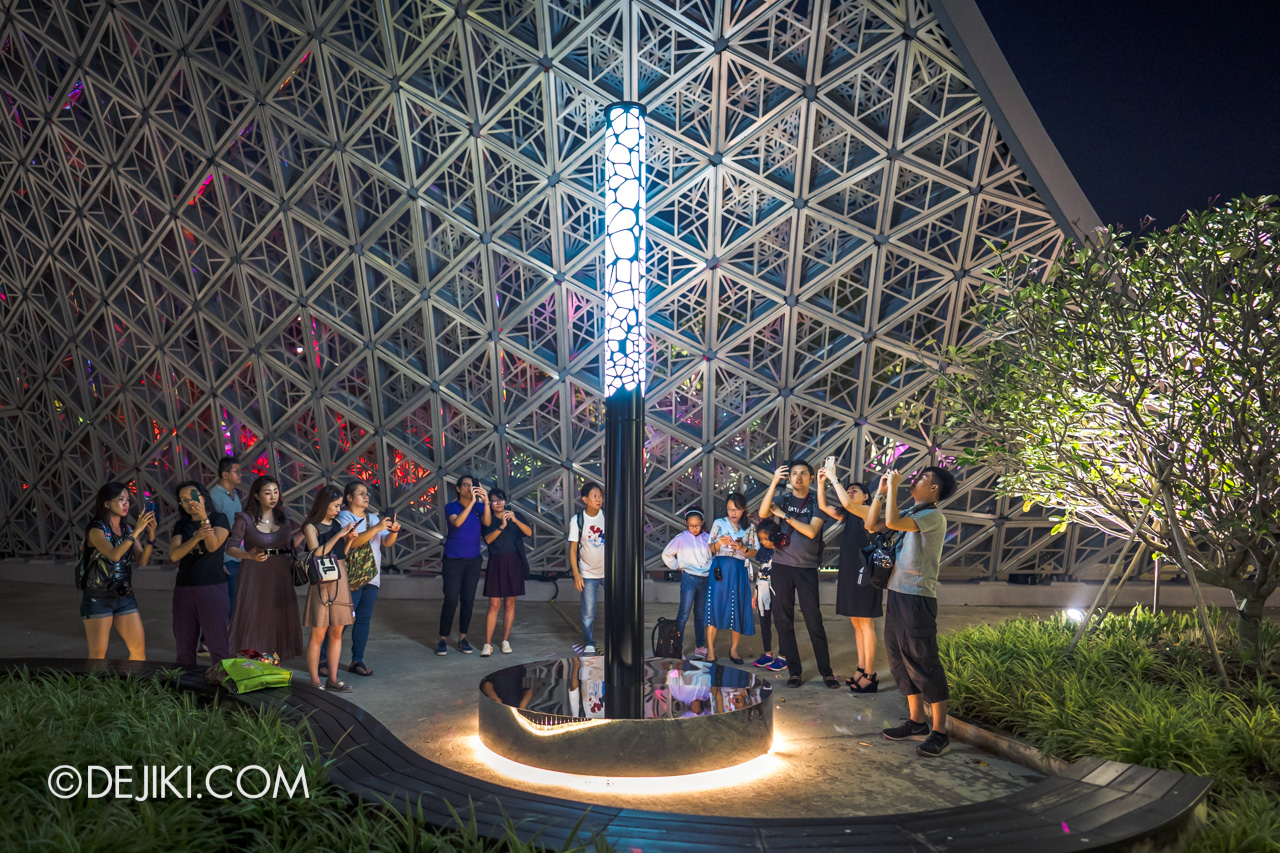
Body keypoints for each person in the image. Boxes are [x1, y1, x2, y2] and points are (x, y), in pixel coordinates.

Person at [868, 466, 957, 758]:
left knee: (924, 661)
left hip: (917, 598)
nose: (914, 480)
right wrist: (880, 494)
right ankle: (917, 721)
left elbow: (892, 522)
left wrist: (893, 487)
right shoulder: (913, 512)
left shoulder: (933, 516)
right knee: (899, 660)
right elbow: (872, 524)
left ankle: (939, 732)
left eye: (921, 478)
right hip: (897, 592)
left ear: (934, 489)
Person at [759, 459, 839, 689]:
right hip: (782, 567)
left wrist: (784, 516)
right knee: (783, 621)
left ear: (811, 478)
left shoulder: (817, 502)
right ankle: (794, 671)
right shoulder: (782, 498)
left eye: (803, 473)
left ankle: (826, 672)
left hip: (806, 569)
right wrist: (774, 482)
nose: (798, 477)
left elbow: (812, 531)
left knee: (814, 621)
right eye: (794, 473)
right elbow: (764, 512)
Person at [321, 482, 401, 678]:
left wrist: (393, 531)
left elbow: (387, 543)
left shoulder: (373, 517)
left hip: (372, 576)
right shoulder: (344, 517)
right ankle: (323, 658)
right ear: (349, 497)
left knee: (363, 619)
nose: (366, 497)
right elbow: (354, 542)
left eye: (367, 494)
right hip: (351, 577)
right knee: (343, 620)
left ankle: (358, 660)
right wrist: (377, 528)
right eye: (361, 494)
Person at [816, 469, 883, 693]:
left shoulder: (867, 510)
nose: (850, 492)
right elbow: (824, 507)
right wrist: (821, 482)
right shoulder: (850, 513)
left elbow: (848, 505)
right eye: (848, 490)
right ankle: (861, 668)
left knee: (866, 622)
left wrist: (834, 478)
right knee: (856, 622)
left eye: (855, 490)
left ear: (866, 496)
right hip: (851, 571)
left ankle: (871, 675)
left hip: (866, 572)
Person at [226, 475, 304, 661]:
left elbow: (291, 545)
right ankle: (251, 654)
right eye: (267, 493)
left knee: (277, 610)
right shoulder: (245, 518)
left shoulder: (284, 516)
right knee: (254, 610)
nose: (273, 496)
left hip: (280, 571)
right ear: (257, 495)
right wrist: (249, 555)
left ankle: (274, 655)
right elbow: (231, 548)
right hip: (254, 572)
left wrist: (307, 530)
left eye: (276, 492)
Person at [79, 482, 155, 660]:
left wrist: (151, 537)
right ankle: (93, 688)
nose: (126, 504)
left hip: (124, 596)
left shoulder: (126, 529)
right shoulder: (96, 530)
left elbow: (142, 560)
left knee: (138, 650)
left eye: (128, 500)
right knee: (98, 654)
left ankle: (134, 687)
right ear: (106, 503)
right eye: (121, 500)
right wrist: (136, 531)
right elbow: (114, 555)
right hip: (98, 597)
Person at [301, 485, 358, 692]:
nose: (338, 510)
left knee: (337, 631)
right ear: (324, 504)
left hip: (339, 576)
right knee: (318, 633)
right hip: (322, 579)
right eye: (335, 506)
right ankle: (315, 680)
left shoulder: (335, 524)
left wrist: (349, 540)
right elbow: (317, 553)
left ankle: (333, 679)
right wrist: (339, 534)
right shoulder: (311, 526)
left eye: (339, 505)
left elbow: (341, 553)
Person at [169, 481, 231, 668]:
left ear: (204, 496)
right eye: (184, 500)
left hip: (212, 586)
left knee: (218, 645)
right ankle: (187, 689)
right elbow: (174, 554)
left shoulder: (219, 518)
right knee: (184, 647)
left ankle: (222, 688)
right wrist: (196, 537)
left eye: (193, 497)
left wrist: (204, 517)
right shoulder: (182, 524)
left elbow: (212, 546)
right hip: (184, 588)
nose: (190, 503)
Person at [437, 474, 490, 656]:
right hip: (453, 558)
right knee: (451, 599)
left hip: (473, 559)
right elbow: (457, 522)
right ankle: (443, 639)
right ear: (458, 489)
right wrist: (472, 503)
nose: (469, 488)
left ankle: (462, 637)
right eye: (466, 485)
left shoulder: (479, 507)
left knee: (468, 599)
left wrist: (486, 500)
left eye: (472, 485)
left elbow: (488, 522)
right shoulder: (451, 506)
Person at [706, 493, 758, 664]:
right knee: (714, 607)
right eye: (729, 509)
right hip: (720, 568)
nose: (732, 513)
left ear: (743, 509)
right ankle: (711, 651)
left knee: (737, 608)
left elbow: (754, 552)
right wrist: (719, 544)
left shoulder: (749, 527)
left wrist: (742, 546)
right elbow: (711, 549)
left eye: (736, 509)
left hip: (739, 569)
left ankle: (734, 650)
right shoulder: (719, 524)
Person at [480, 488, 532, 657]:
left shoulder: (514, 515)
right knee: (494, 604)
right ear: (489, 502)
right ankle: (487, 644)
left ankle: (505, 640)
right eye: (495, 500)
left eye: (501, 500)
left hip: (514, 562)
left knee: (510, 604)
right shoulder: (487, 518)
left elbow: (528, 532)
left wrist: (515, 520)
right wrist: (502, 527)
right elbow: (487, 540)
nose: (499, 503)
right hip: (496, 562)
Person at [663, 507, 713, 658]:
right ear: (686, 524)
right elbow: (666, 554)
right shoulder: (681, 538)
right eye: (691, 525)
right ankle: (678, 647)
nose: (694, 528)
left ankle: (700, 646)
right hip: (689, 578)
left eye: (697, 525)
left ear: (702, 523)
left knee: (700, 614)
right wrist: (678, 565)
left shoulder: (708, 537)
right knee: (683, 614)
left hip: (705, 579)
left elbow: (713, 555)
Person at [567, 482, 605, 655]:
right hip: (588, 572)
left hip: (608, 572)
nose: (598, 499)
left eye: (600, 495)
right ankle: (589, 642)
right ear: (585, 499)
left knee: (616, 606)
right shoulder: (577, 520)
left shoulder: (606, 516)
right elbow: (573, 549)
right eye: (594, 496)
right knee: (588, 611)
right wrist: (576, 575)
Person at [750, 518, 788, 672]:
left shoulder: (782, 551)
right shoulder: (763, 551)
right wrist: (755, 592)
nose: (764, 542)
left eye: (767, 538)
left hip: (778, 590)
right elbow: (760, 571)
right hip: (763, 588)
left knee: (781, 622)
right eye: (761, 539)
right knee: (764, 621)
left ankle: (784, 657)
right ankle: (767, 653)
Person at [208, 455, 243, 617]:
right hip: (225, 557)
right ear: (225, 474)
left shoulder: (235, 494)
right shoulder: (214, 496)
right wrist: (217, 560)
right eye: (237, 471)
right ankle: (217, 638)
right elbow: (209, 528)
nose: (240, 474)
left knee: (235, 600)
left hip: (237, 554)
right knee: (227, 601)